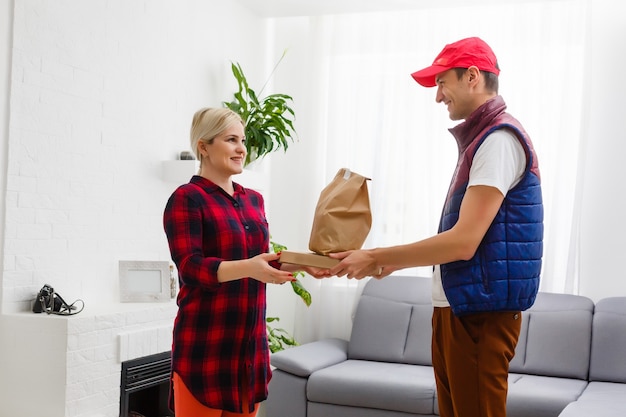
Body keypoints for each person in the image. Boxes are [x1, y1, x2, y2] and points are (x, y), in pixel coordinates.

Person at [327, 37, 543, 417]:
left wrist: (376, 256)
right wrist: (390, 263)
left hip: (479, 313)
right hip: (460, 307)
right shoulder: (481, 141)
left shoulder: (498, 141)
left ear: (472, 77)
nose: (438, 96)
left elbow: (463, 242)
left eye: (443, 82)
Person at [163, 107, 316, 417]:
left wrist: (306, 263)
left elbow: (263, 261)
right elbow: (191, 268)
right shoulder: (187, 198)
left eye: (242, 140)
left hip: (249, 349)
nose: (241, 149)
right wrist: (249, 267)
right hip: (205, 347)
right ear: (203, 146)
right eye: (231, 139)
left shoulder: (253, 200)